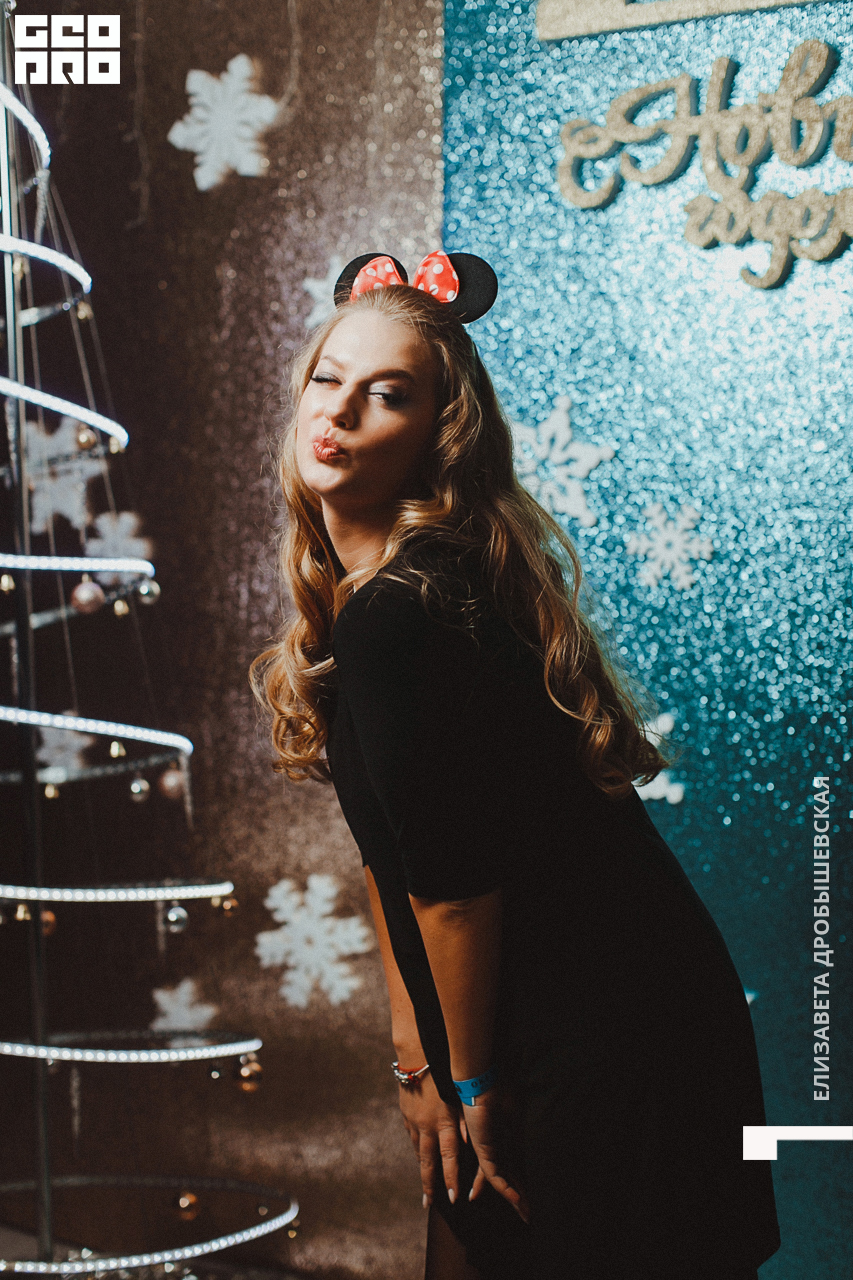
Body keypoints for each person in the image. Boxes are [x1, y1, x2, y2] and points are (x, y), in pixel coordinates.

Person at [251, 251, 781, 1280]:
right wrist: (418, 1064)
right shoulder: (373, 599)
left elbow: (453, 893)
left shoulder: (402, 610)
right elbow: (391, 862)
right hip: (565, 1015)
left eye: (387, 394)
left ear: (438, 437)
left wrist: (471, 1081)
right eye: (329, 378)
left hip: (605, 1028)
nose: (341, 410)